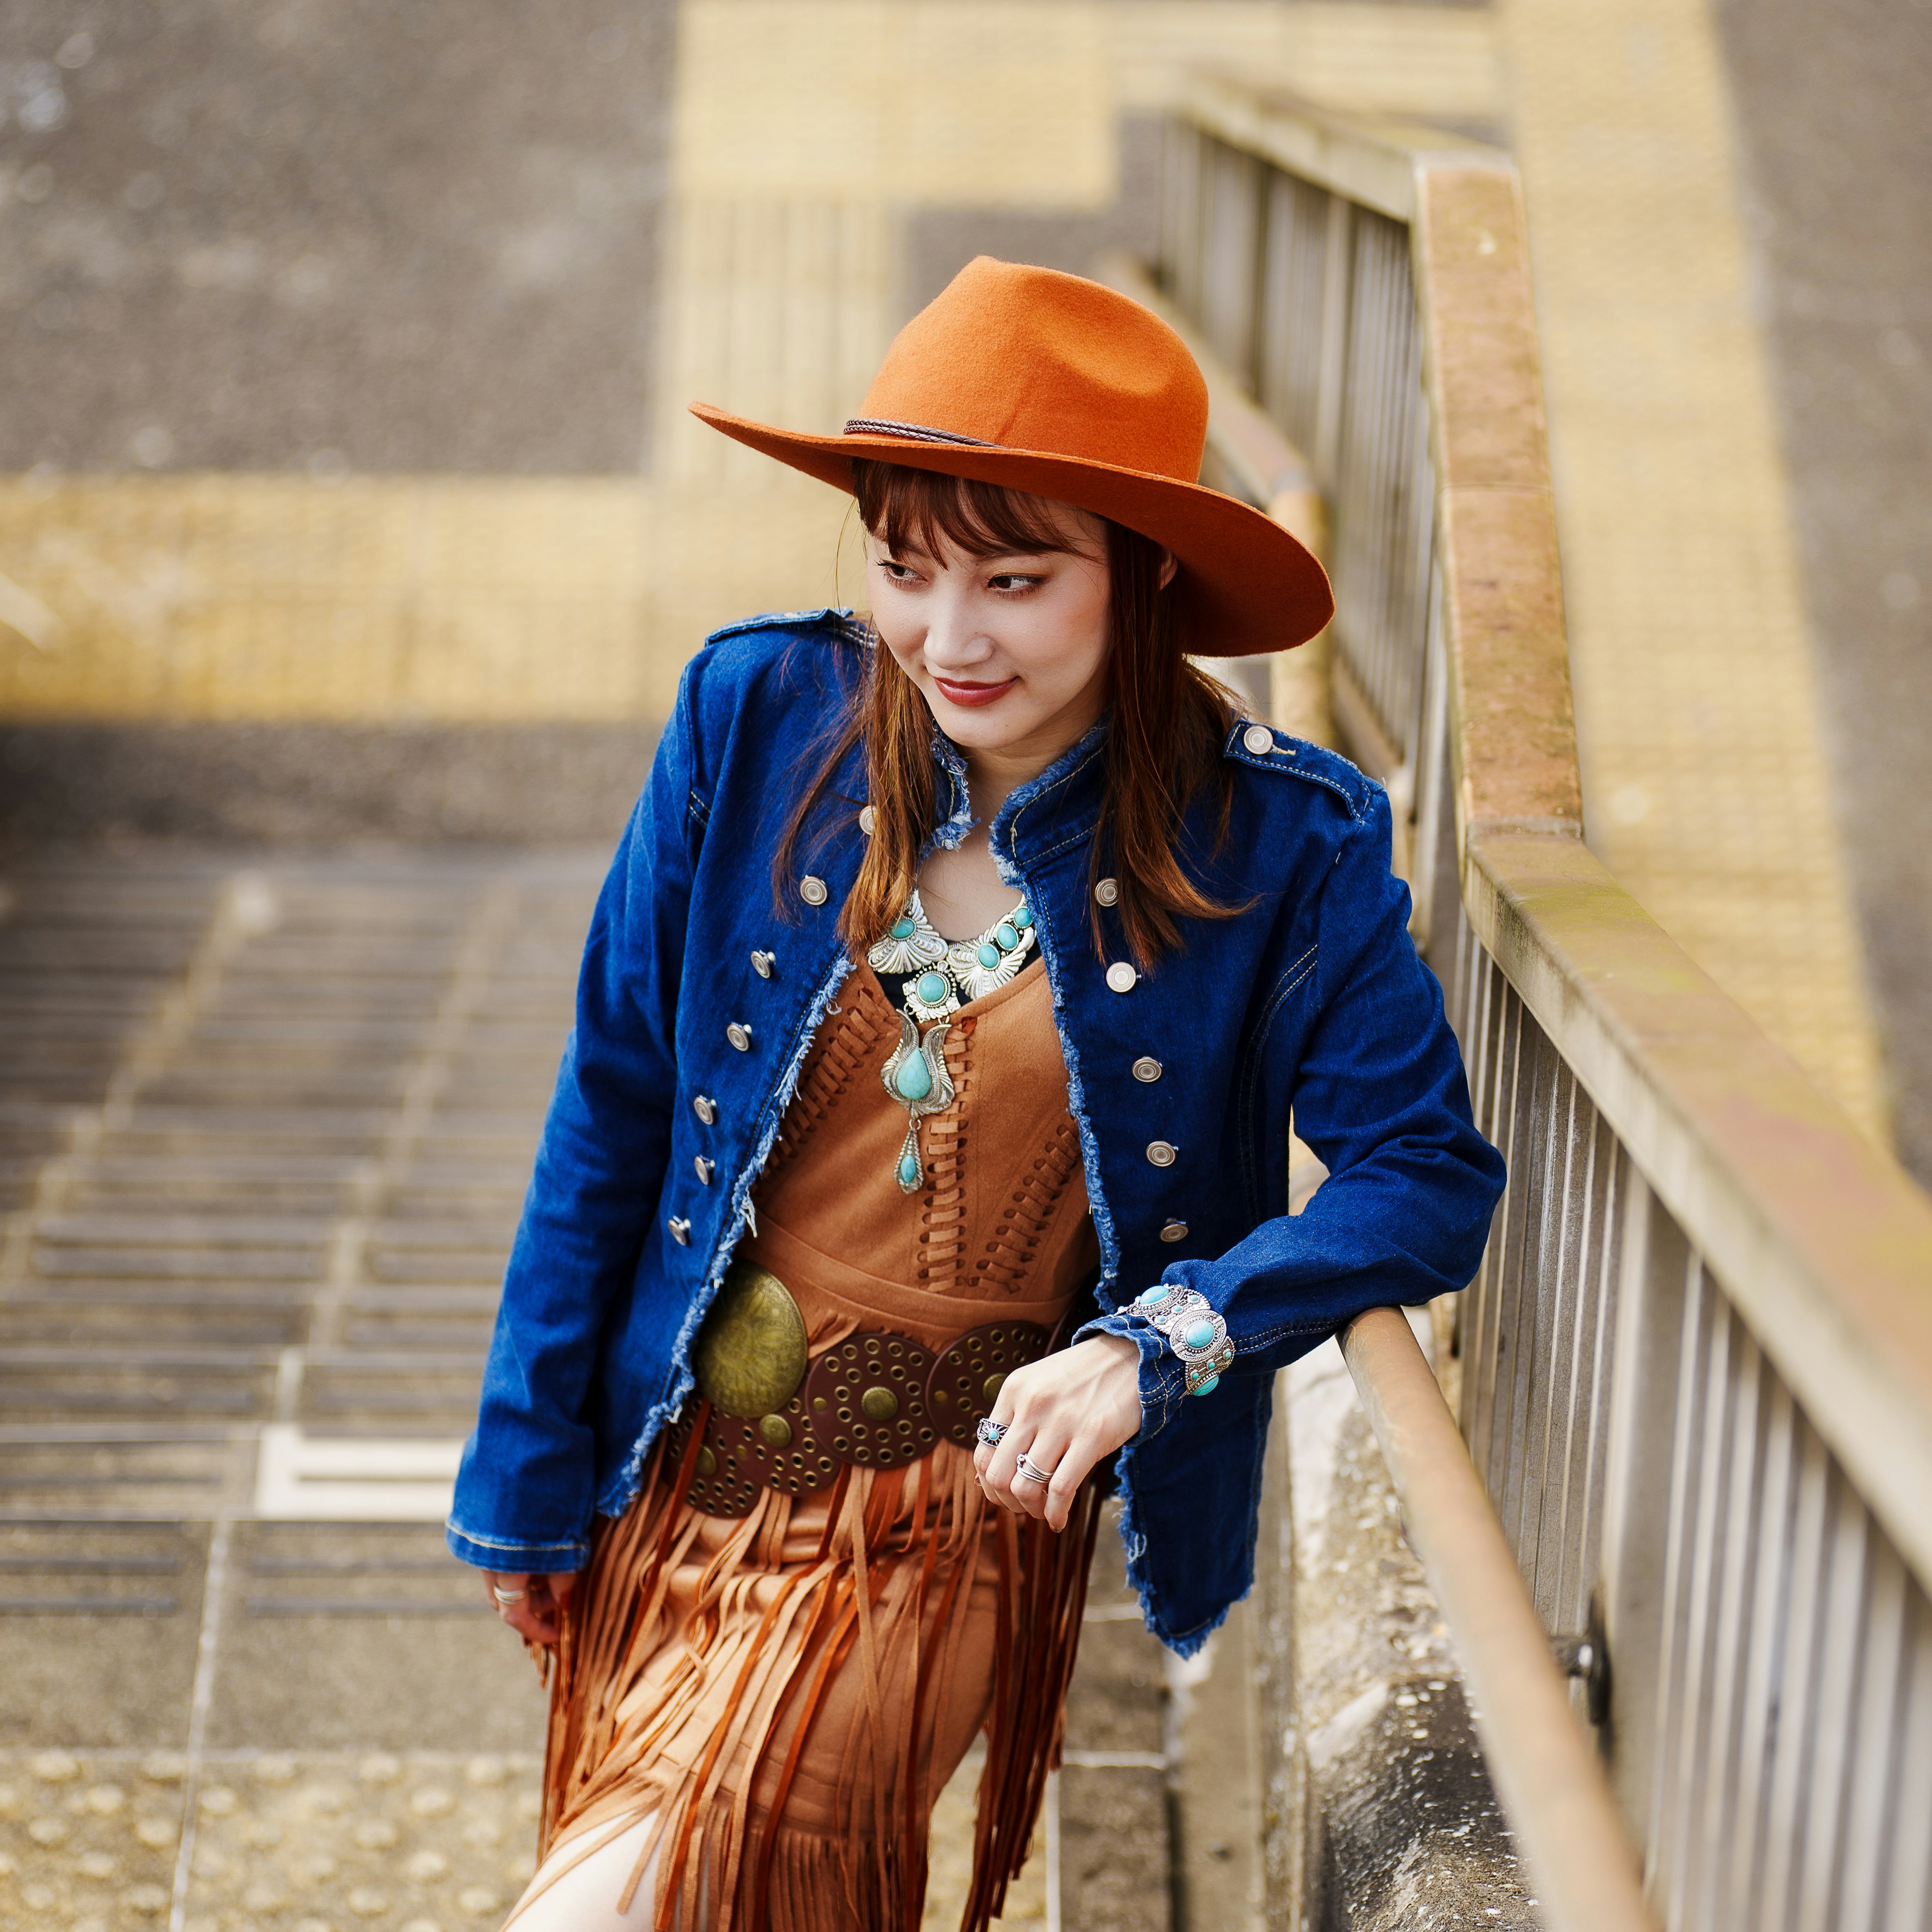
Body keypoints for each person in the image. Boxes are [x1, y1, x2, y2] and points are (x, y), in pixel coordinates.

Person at [446, 257, 1506, 1932]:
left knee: (617, 1902)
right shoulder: (756, 714)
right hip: (681, 1460)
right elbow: (616, 1097)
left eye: (1016, 578)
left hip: (948, 1522)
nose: (949, 638)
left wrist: (1169, 1341)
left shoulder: (1280, 842)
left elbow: (1422, 1175)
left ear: (1139, 571)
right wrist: (522, 1467)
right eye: (905, 568)